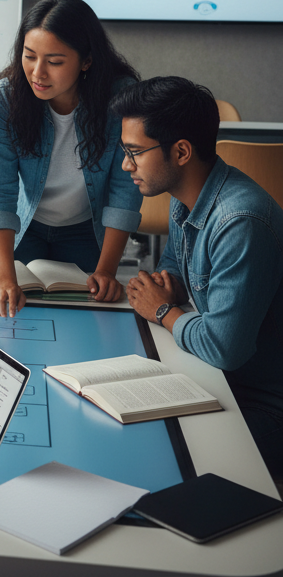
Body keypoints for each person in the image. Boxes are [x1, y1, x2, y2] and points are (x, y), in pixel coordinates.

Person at [116, 77, 283, 479]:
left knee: (149, 462)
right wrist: (169, 284)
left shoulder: (239, 221)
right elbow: (176, 263)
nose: (126, 165)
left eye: (135, 152)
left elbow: (224, 349)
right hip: (217, 379)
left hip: (262, 405)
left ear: (182, 151)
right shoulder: (188, 196)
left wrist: (162, 310)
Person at [0, 0, 142, 318]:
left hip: (86, 230)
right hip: (25, 228)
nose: (37, 73)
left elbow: (124, 191)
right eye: (29, 57)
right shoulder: (6, 97)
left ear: (86, 61)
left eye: (54, 62)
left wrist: (108, 271)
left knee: (83, 318)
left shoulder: (120, 98)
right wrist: (3, 277)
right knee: (14, 314)